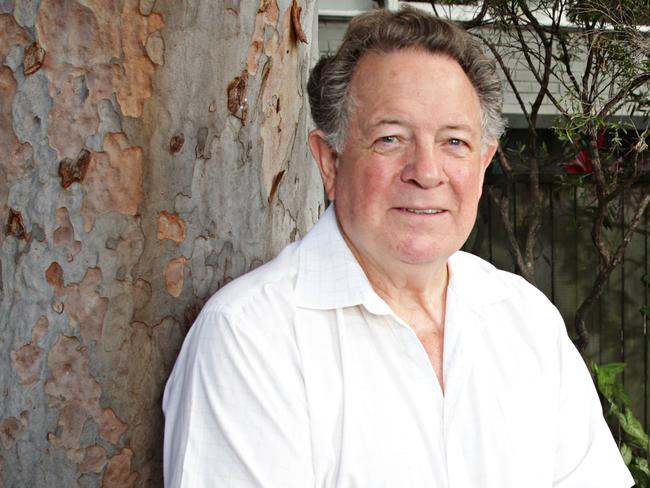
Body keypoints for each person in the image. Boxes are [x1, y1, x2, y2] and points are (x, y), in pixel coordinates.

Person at [163, 8, 633, 488]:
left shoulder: (527, 321)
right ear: (329, 161)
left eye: (454, 142)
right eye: (391, 138)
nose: (426, 172)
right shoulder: (251, 338)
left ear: (484, 163)